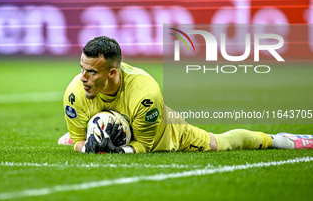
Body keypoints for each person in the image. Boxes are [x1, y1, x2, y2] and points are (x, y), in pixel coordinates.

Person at [60, 36, 313, 153]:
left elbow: (143, 146)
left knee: (221, 144)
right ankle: (99, 129)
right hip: (122, 122)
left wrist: (118, 152)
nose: (83, 77)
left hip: (165, 133)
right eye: (82, 68)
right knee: (79, 135)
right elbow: (79, 143)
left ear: (113, 73)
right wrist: (87, 146)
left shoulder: (145, 94)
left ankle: (278, 139)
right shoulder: (74, 94)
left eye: (92, 72)